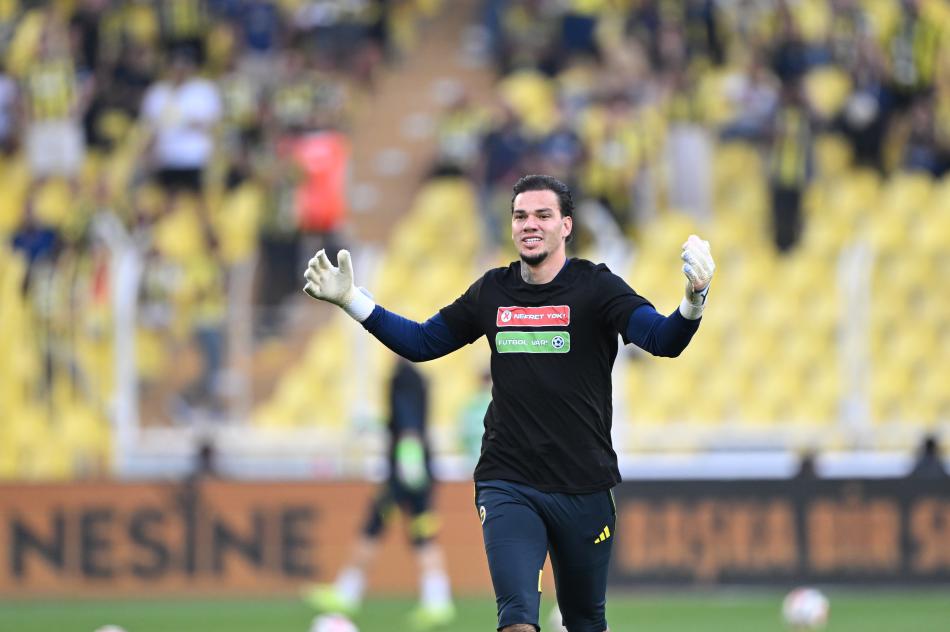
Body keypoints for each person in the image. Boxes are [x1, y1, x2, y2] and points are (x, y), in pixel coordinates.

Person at [302, 174, 715, 632]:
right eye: (520, 216)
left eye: (543, 215)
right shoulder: (492, 291)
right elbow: (421, 342)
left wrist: (693, 300)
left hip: (584, 484)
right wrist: (352, 300)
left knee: (584, 622)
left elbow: (662, 340)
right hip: (508, 480)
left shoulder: (598, 287)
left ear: (566, 226)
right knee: (517, 620)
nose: (529, 224)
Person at [303, 357, 455, 630]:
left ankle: (348, 591)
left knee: (374, 527)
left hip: (404, 468)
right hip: (418, 466)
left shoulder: (403, 377)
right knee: (421, 534)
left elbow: (408, 423)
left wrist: (408, 456)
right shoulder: (418, 377)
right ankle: (437, 600)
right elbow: (408, 420)